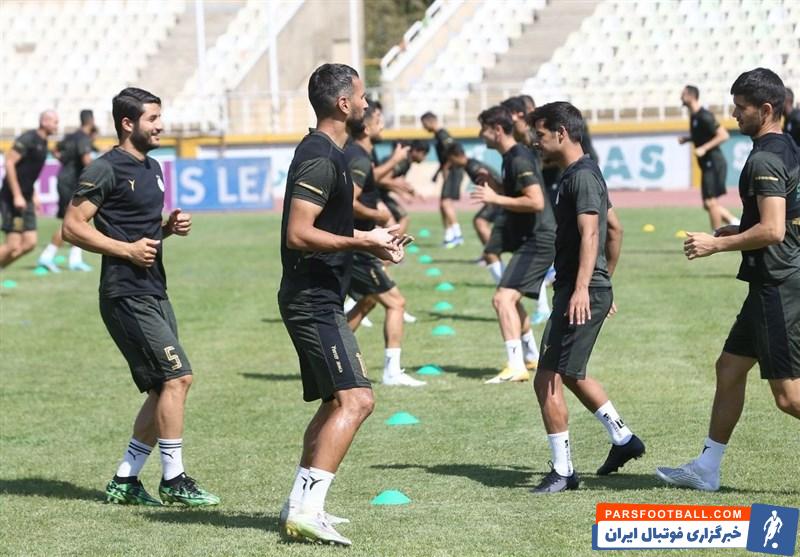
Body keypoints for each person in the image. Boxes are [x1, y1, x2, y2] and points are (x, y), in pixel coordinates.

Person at [62, 88, 218, 507]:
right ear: (128, 123)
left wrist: (168, 228)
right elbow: (72, 227)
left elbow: (138, 228)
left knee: (162, 387)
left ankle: (125, 480)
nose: (161, 125)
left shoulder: (153, 168)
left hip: (155, 289)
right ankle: (174, 478)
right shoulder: (104, 168)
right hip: (125, 293)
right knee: (178, 378)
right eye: (153, 118)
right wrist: (126, 251)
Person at [277, 64, 404, 546]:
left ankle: (299, 505)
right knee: (358, 400)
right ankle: (309, 511)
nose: (368, 104)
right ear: (343, 103)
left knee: (336, 402)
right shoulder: (319, 156)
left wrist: (372, 241)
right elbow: (298, 233)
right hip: (312, 299)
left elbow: (325, 226)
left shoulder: (329, 152)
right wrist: (362, 242)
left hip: (320, 295)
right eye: (363, 96)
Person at [657, 68, 800, 492]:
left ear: (766, 109)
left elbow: (772, 230)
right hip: (773, 280)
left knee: (789, 397)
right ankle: (707, 468)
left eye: (741, 107)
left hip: (777, 283)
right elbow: (783, 216)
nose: (734, 114)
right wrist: (737, 229)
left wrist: (716, 245)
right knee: (729, 367)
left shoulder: (764, 159)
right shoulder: (787, 146)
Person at [529, 102, 645, 493]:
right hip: (586, 288)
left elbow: (592, 233)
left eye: (540, 135)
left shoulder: (580, 177)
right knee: (569, 372)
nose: (536, 142)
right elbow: (616, 229)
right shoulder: (583, 172)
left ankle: (564, 471)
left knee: (546, 378)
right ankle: (623, 438)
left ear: (561, 133)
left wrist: (585, 288)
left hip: (579, 290)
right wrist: (601, 285)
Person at [471, 105, 555, 384]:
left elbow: (536, 201)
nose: (480, 134)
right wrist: (495, 185)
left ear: (497, 130)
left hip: (539, 239)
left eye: (483, 129)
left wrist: (494, 199)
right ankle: (531, 356)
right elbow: (519, 194)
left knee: (502, 299)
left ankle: (516, 365)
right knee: (510, 298)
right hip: (531, 238)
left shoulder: (518, 158)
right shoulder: (511, 157)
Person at [344, 100, 424, 387]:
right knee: (396, 303)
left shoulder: (360, 154)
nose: (382, 126)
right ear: (366, 127)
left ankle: (332, 357)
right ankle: (392, 372)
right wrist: (376, 214)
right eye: (378, 120)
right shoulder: (358, 157)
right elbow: (349, 202)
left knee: (368, 301)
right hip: (359, 246)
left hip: (360, 243)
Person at [38, 109, 96, 272]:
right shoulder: (83, 138)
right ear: (91, 121)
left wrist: (65, 161)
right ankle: (47, 256)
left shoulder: (70, 136)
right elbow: (86, 160)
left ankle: (75, 260)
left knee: (79, 221)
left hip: (64, 179)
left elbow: (55, 150)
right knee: (72, 222)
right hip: (72, 183)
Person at [0, 110, 59, 272]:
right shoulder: (28, 139)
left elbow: (26, 174)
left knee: (30, 243)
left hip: (26, 197)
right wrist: (17, 195)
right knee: (12, 245)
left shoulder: (44, 142)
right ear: (44, 122)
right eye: (55, 122)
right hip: (12, 198)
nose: (57, 126)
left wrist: (34, 195)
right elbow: (9, 162)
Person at [679, 85, 740, 231]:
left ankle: (716, 236)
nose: (681, 97)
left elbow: (723, 135)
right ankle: (734, 222)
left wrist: (704, 148)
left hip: (713, 163)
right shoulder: (694, 116)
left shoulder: (704, 115)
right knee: (708, 204)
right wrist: (688, 139)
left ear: (691, 96)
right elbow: (702, 136)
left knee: (711, 202)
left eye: (683, 94)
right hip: (707, 164)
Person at [444, 142, 504, 275]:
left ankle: (492, 253)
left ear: (456, 156)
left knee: (480, 221)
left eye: (451, 160)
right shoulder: (470, 164)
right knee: (480, 221)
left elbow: (489, 178)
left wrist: (493, 197)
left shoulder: (473, 166)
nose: (451, 163)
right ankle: (488, 254)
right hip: (498, 196)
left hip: (500, 197)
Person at [421, 111, 465, 248]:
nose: (423, 127)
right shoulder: (438, 135)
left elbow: (453, 153)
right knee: (443, 204)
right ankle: (449, 235)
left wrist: (446, 170)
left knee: (446, 203)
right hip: (449, 170)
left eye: (424, 124)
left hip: (453, 171)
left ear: (429, 122)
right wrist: (437, 173)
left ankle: (457, 235)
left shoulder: (442, 134)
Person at [374, 139, 428, 237]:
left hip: (380, 193)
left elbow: (393, 182)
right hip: (375, 194)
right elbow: (381, 180)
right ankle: (393, 244)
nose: (425, 158)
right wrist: (401, 191)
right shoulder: (403, 162)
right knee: (402, 219)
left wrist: (408, 192)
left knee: (396, 221)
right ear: (415, 151)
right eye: (424, 154)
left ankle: (391, 243)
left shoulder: (407, 163)